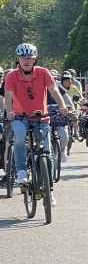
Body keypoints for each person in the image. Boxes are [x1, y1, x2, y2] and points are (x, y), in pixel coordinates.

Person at [4, 44, 67, 184]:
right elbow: (8, 97)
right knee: (19, 136)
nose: (26, 61)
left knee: (46, 150)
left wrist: (62, 106)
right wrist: (9, 112)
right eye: (23, 58)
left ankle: (48, 188)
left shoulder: (44, 72)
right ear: (18, 59)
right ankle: (21, 171)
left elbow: (54, 91)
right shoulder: (12, 76)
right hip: (20, 117)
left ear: (35, 59)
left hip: (41, 117)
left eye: (29, 58)